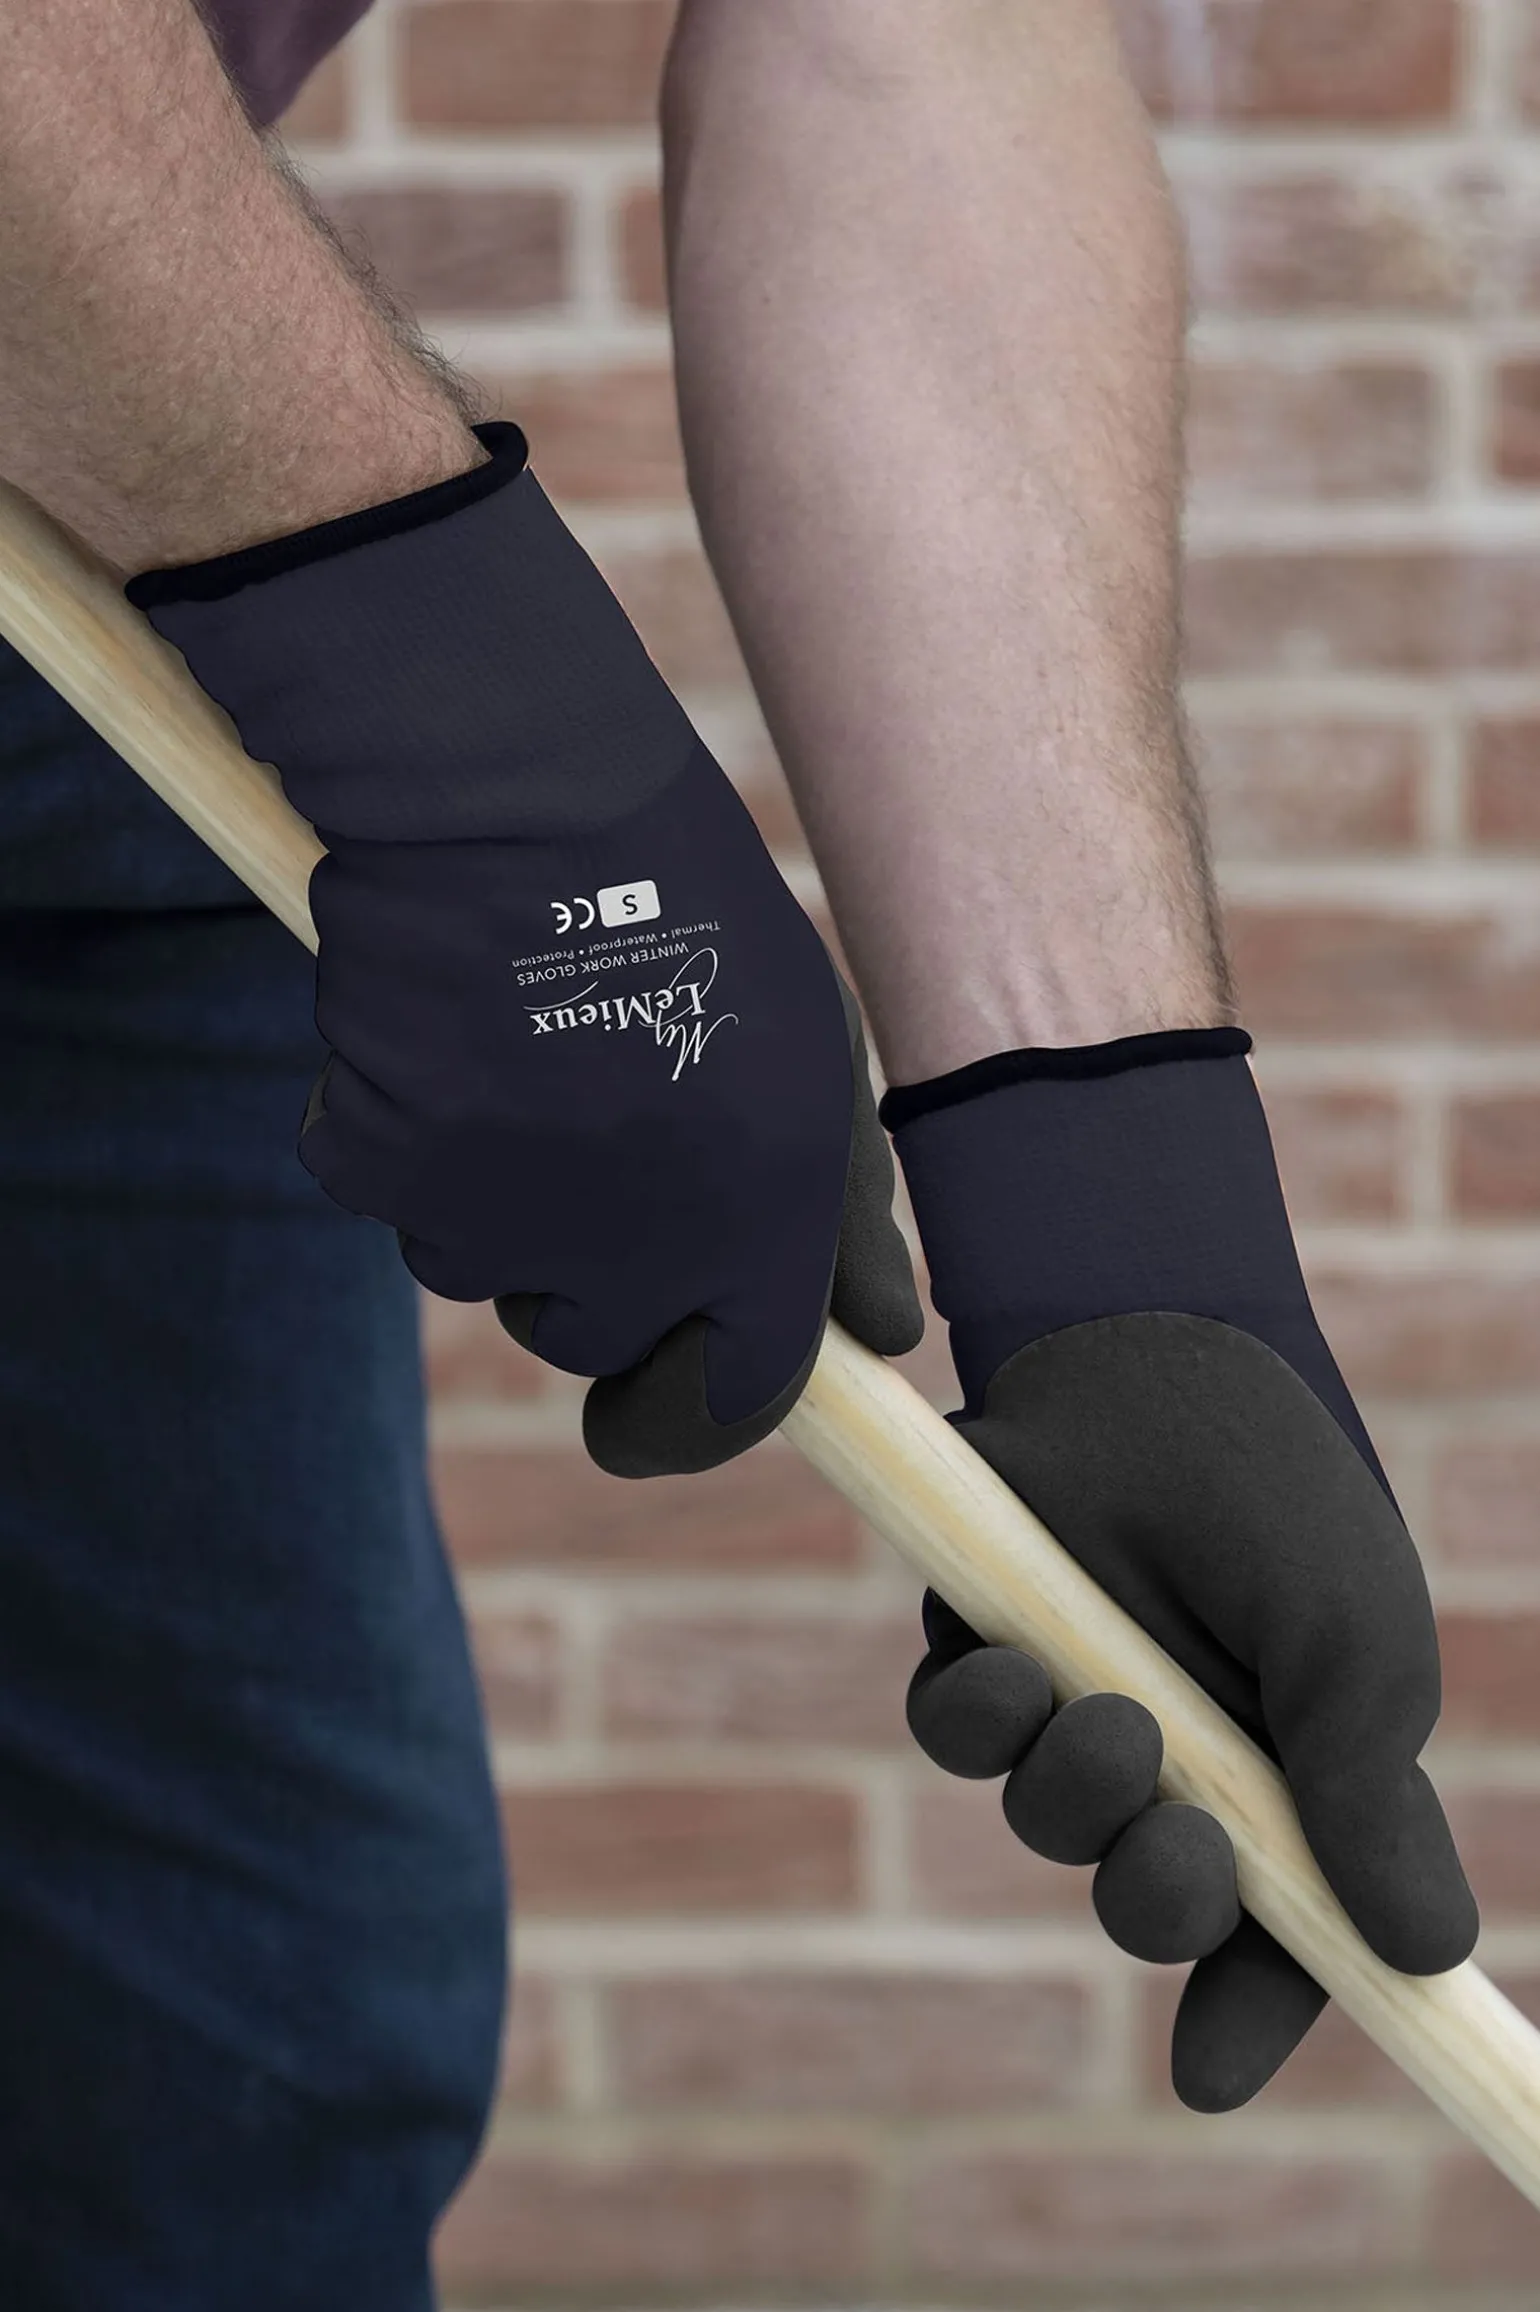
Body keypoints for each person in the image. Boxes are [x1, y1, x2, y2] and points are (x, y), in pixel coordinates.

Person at [0, 2, 1478, 2304]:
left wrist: (1117, 1214)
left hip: (84, 541)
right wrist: (464, 723)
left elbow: (908, 43)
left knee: (255, 2050)